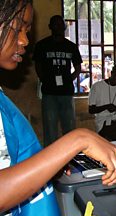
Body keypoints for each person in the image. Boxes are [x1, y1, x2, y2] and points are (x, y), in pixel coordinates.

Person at [0, 1, 116, 216]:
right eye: (17, 27)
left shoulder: (69, 47)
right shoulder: (44, 47)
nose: (24, 40)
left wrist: (50, 166)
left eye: (27, 31)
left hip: (64, 89)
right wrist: (79, 139)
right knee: (53, 129)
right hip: (51, 90)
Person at [33, 15, 82, 146]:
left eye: (61, 25)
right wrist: (45, 80)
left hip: (66, 93)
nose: (59, 27)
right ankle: (52, 162)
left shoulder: (71, 46)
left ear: (65, 27)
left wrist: (68, 80)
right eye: (55, 24)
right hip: (49, 93)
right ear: (50, 26)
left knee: (70, 129)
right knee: (50, 130)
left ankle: (72, 159)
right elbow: (38, 66)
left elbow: (78, 68)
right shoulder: (42, 45)